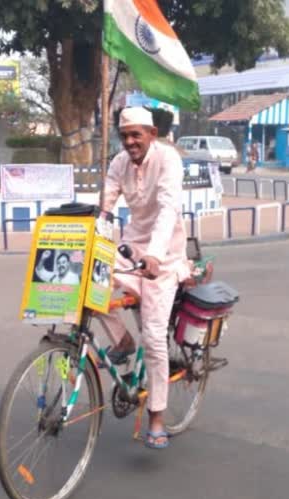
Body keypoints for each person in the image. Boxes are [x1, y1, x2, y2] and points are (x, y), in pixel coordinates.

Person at [100, 106, 188, 450]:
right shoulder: (119, 162)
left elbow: (168, 209)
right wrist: (96, 239)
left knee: (153, 336)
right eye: (124, 135)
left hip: (164, 256)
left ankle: (156, 416)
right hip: (132, 247)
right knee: (91, 289)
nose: (130, 141)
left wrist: (154, 254)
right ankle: (122, 341)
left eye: (136, 134)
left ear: (152, 134)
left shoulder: (168, 159)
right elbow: (106, 204)